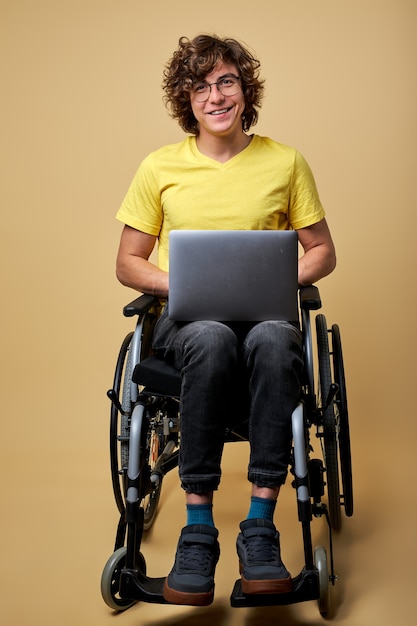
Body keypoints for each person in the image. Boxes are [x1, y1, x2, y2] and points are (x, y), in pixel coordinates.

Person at [115, 34, 336, 606]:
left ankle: (261, 526)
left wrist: (277, 279)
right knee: (211, 337)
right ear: (186, 99)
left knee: (272, 337)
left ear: (245, 90)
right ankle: (198, 530)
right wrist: (185, 285)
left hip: (266, 317)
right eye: (201, 86)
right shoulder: (159, 167)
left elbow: (322, 252)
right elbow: (128, 263)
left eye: (226, 82)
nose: (215, 96)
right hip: (186, 325)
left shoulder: (285, 161)